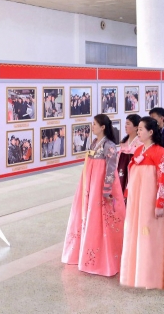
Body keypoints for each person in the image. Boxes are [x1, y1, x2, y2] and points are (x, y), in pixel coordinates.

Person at [62, 114, 126, 276]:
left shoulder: (109, 145)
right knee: (86, 216)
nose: (93, 127)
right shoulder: (95, 143)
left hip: (100, 186)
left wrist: (106, 190)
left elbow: (111, 170)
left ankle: (105, 258)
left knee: (101, 220)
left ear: (103, 127)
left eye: (95, 124)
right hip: (90, 184)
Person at [119, 116, 164, 289]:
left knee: (152, 235)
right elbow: (132, 175)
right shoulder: (138, 151)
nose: (138, 132)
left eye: (141, 129)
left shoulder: (161, 153)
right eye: (138, 129)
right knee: (137, 232)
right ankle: (137, 272)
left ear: (151, 132)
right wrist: (128, 193)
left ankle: (152, 275)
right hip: (138, 200)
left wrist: (160, 203)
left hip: (151, 200)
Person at [117, 114, 142, 196]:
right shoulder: (124, 141)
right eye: (125, 124)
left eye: (128, 124)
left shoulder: (140, 142)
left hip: (133, 172)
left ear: (136, 127)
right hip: (122, 169)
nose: (125, 126)